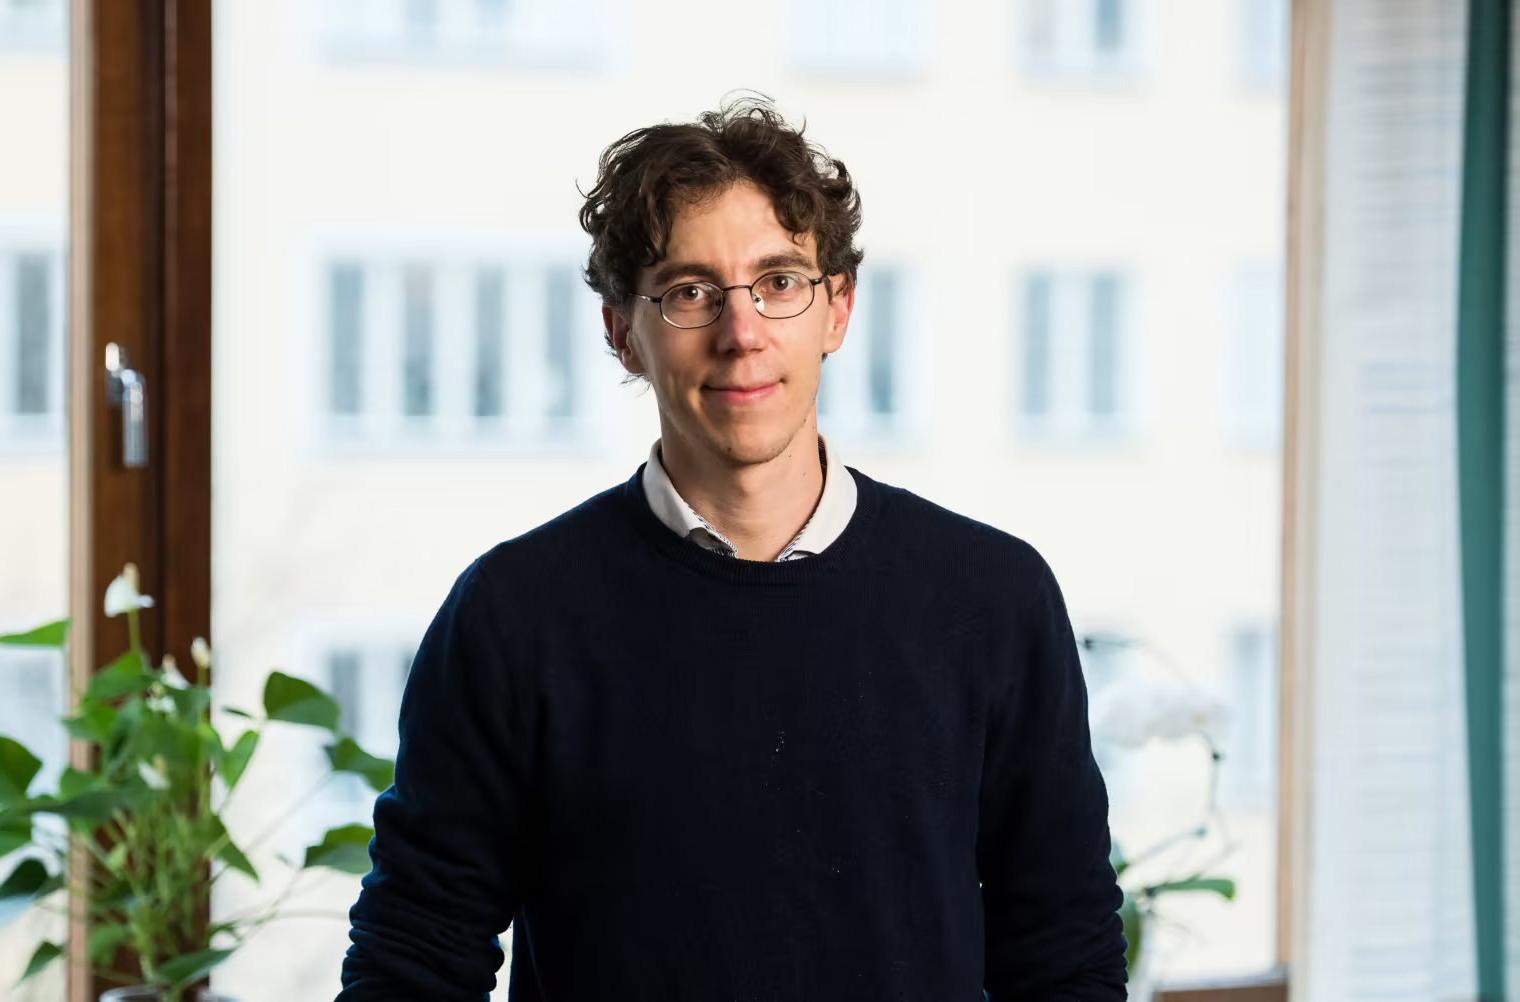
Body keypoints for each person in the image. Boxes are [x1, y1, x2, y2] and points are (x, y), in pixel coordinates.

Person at [337, 96, 1126, 1001]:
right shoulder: (514, 616)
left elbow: (1064, 955)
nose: (741, 333)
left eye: (779, 283)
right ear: (622, 333)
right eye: (690, 293)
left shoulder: (992, 599)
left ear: (837, 310)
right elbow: (417, 954)